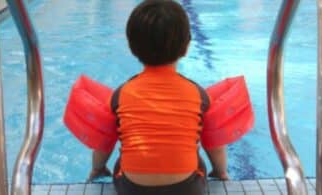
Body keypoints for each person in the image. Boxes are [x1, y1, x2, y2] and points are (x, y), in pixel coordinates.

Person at [88, 0, 228, 194]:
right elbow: (215, 145)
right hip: (187, 188)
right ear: (186, 47)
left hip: (132, 189)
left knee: (123, 157)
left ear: (131, 46)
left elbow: (104, 143)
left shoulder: (120, 94)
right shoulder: (198, 94)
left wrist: (97, 169)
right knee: (197, 157)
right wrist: (220, 172)